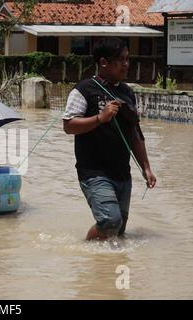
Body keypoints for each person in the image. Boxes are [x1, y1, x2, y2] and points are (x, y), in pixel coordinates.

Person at [63, 37, 156, 240]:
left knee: (118, 230)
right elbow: (68, 126)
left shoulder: (128, 93)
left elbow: (135, 134)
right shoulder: (84, 90)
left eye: (127, 59)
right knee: (109, 222)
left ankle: (103, 267)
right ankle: (84, 250)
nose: (126, 64)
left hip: (122, 173)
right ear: (104, 62)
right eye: (121, 59)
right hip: (94, 172)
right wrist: (100, 118)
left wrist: (146, 168)